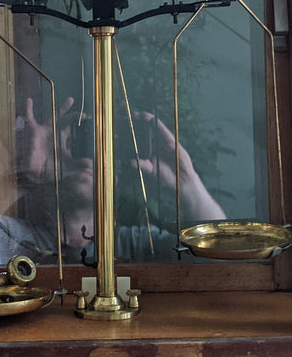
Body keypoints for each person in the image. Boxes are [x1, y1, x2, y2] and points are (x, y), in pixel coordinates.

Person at [17, 96, 225, 262]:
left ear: (115, 177)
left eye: (103, 147)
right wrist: (30, 172)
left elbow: (221, 253)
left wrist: (187, 182)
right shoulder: (18, 238)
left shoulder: (135, 243)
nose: (89, 158)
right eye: (77, 142)